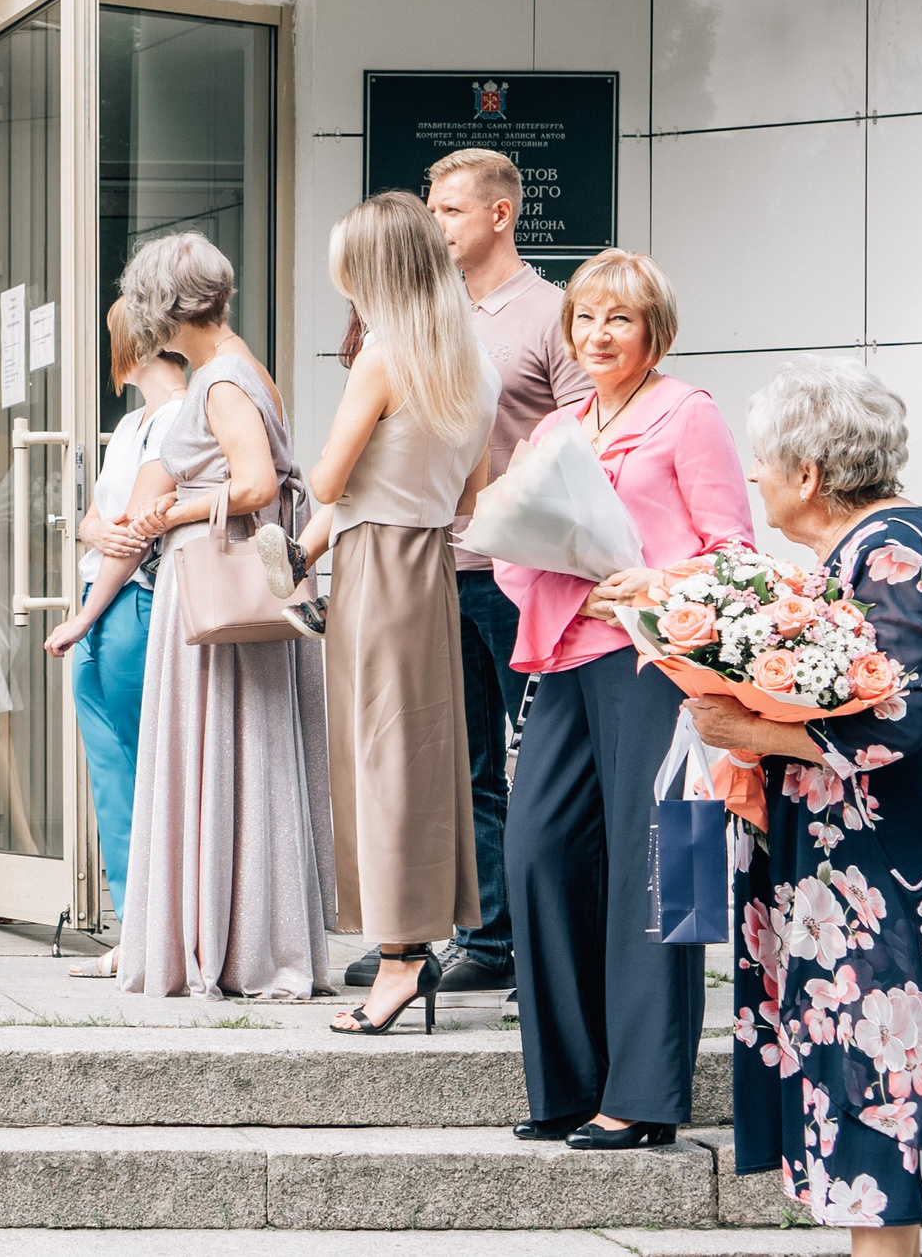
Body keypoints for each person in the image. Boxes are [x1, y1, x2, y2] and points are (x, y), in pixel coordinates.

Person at [698, 360, 922, 1248]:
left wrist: (752, 728)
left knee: (876, 1103)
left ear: (808, 474)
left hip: (880, 892)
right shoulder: (891, 542)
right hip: (891, 878)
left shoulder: (883, 559)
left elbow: (902, 723)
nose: (756, 478)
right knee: (878, 1106)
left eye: (765, 460)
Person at [495, 249, 752, 1149]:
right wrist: (568, 577)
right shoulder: (557, 427)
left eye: (620, 320)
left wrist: (654, 585)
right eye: (585, 319)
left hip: (660, 668)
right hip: (566, 656)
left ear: (655, 332)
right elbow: (509, 549)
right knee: (537, 852)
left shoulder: (690, 414)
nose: (599, 336)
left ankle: (644, 1096)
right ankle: (566, 1082)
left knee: (666, 869)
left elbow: (733, 550)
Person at [347, 145, 587, 1000]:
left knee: (537, 758)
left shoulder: (554, 316)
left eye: (449, 209)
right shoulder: (422, 314)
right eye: (431, 208)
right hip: (431, 565)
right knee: (457, 759)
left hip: (517, 572)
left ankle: (524, 938)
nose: (435, 223)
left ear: (498, 213)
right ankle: (465, 934)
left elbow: (579, 442)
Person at [114, 231, 338, 1000]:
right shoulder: (239, 365)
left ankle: (233, 942)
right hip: (231, 580)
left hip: (218, 583)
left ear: (161, 305)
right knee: (246, 752)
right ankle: (241, 932)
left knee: (228, 745)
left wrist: (173, 510)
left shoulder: (219, 379)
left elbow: (254, 483)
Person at [303, 192, 500, 1036]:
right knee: (424, 763)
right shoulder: (471, 361)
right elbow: (471, 494)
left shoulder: (382, 357)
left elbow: (324, 480)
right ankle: (416, 941)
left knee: (376, 763)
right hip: (431, 561)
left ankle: (398, 959)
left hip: (377, 566)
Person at [40, 301, 189, 962]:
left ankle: (166, 928)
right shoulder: (132, 422)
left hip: (131, 604)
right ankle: (136, 927)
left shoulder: (183, 415)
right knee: (112, 773)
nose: (109, 346)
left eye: (112, 333)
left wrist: (83, 614)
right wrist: (100, 530)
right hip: (103, 600)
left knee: (150, 770)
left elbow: (130, 536)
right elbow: (97, 522)